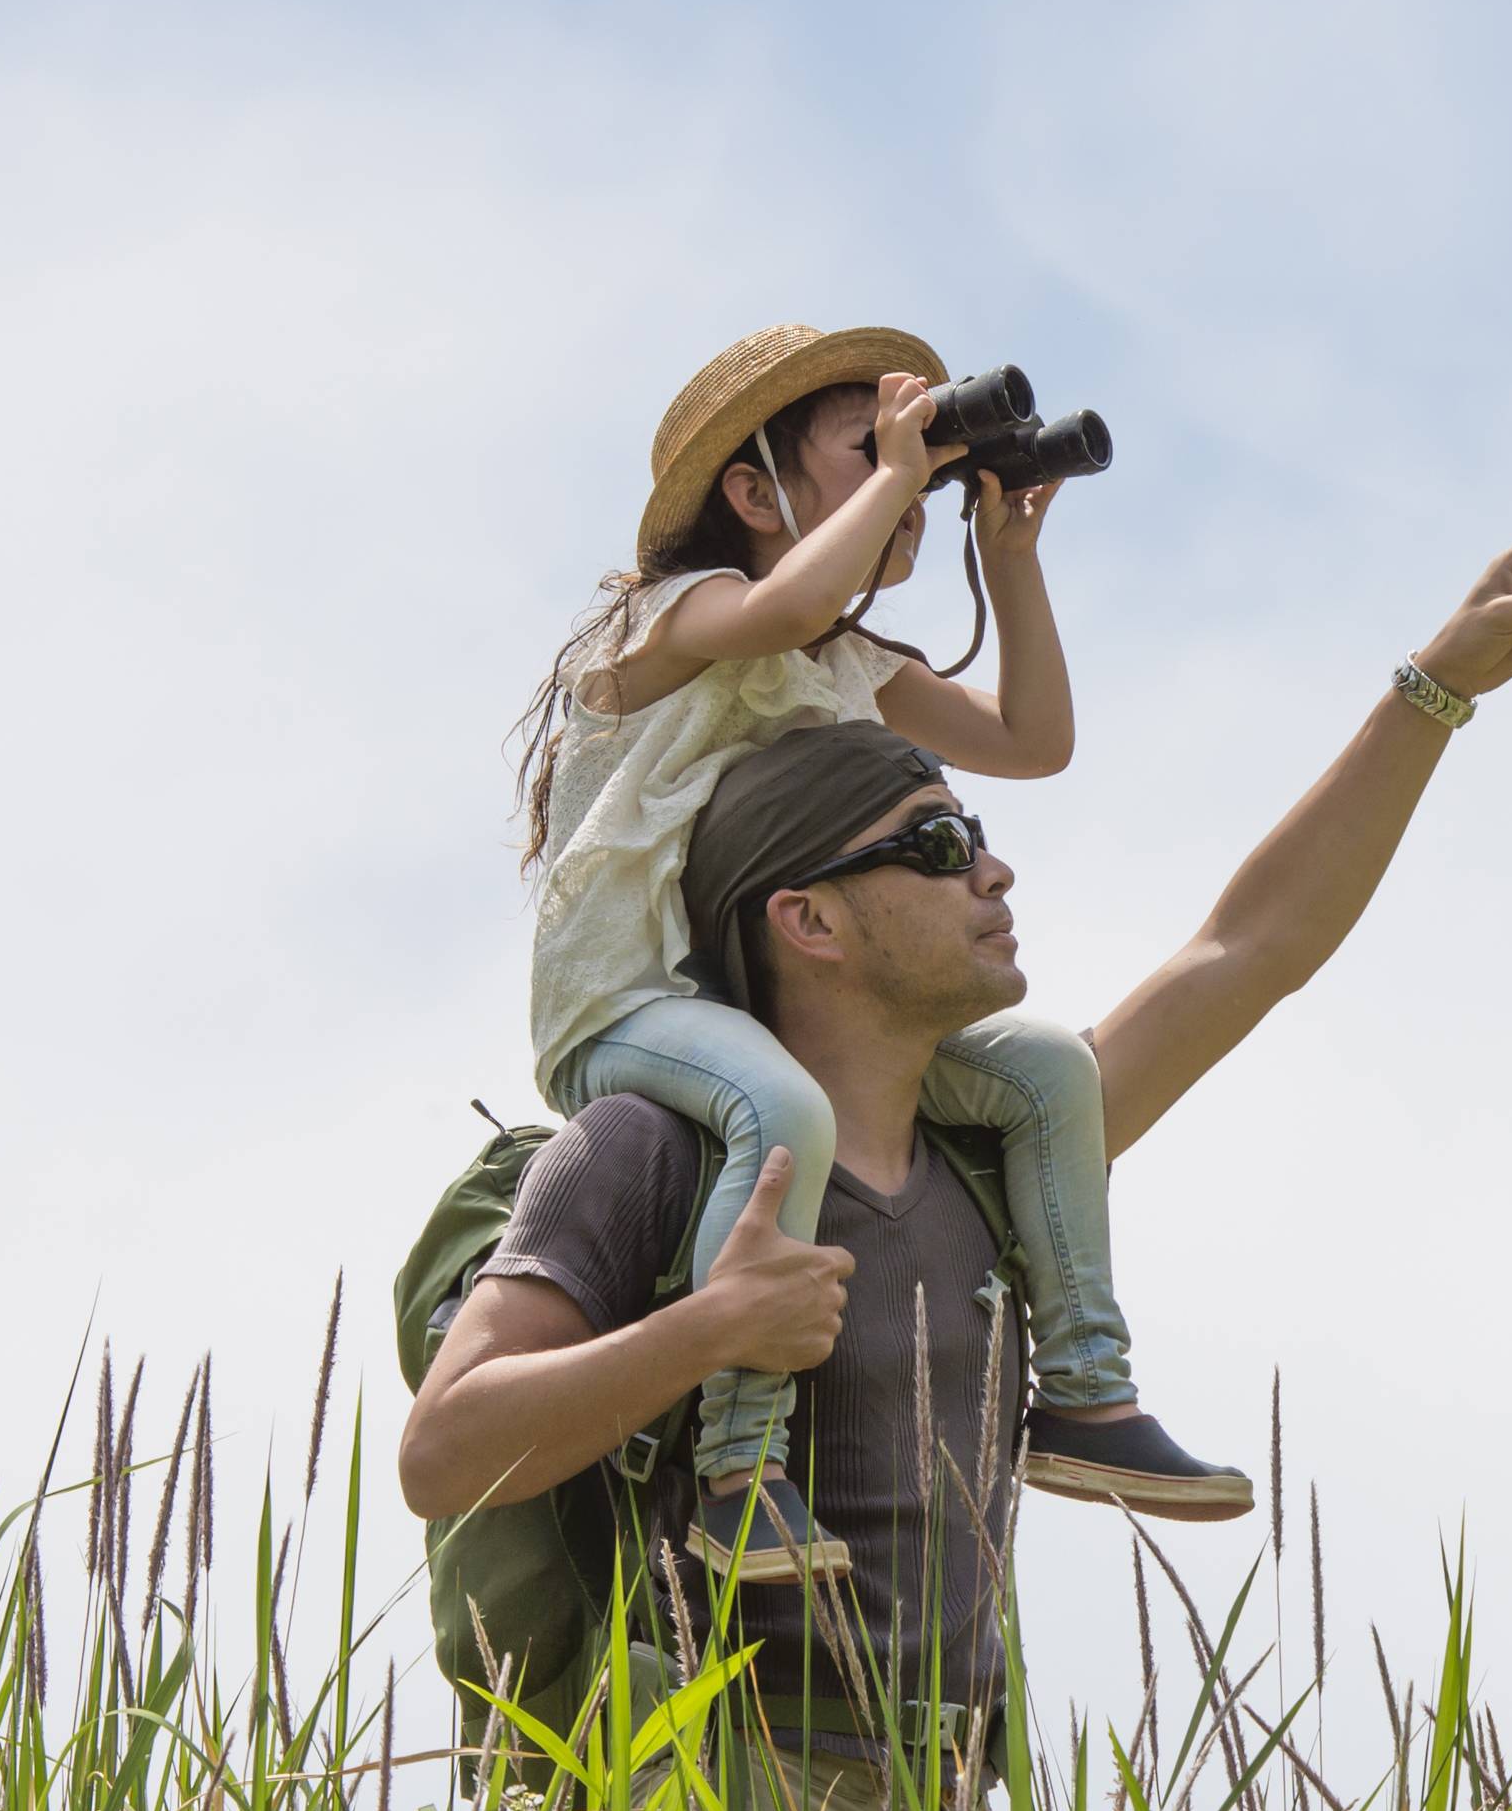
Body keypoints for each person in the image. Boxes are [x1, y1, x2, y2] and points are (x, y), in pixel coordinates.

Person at [404, 482, 1512, 1811]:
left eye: (970, 826)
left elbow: (1249, 946)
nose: (991, 864)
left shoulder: (1000, 1161)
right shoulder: (644, 1153)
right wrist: (714, 1324)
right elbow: (449, 1447)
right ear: (809, 919)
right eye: (929, 843)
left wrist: (1437, 688)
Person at [509, 322, 1213, 1584]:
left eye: (923, 452)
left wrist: (1008, 556)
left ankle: (1088, 1397)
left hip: (774, 1005)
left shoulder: (847, 662)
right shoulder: (681, 617)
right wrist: (904, 472)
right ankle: (739, 1468)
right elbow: (783, 602)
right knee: (778, 1108)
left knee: (1048, 1071)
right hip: (628, 1003)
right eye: (869, 446)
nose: (911, 475)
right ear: (751, 492)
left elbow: (1031, 738)